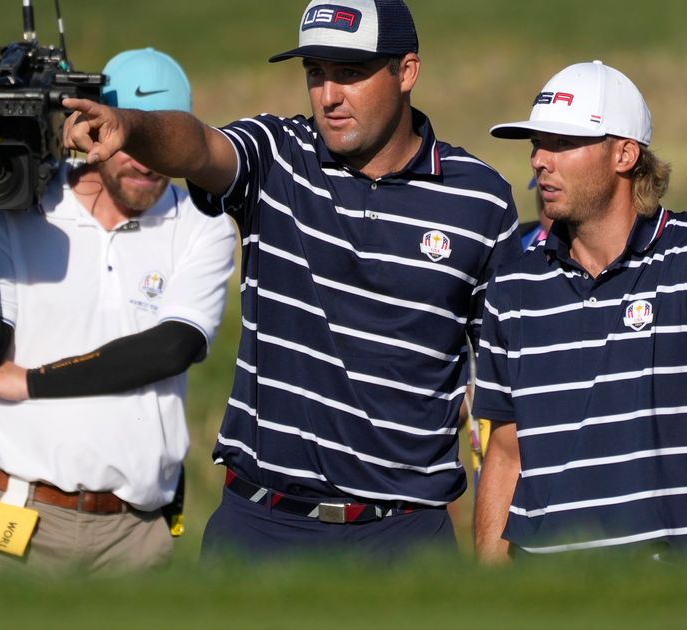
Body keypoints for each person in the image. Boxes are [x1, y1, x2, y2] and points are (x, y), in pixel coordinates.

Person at [62, 0, 520, 559]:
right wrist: (130, 128)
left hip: (403, 538)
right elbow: (200, 146)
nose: (328, 96)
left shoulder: (480, 199)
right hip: (261, 527)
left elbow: (505, 391)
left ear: (407, 71)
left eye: (349, 73)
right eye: (315, 73)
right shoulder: (276, 155)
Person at [0, 48, 236, 573]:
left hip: (132, 537)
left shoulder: (202, 227)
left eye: (154, 142)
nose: (142, 161)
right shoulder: (23, 205)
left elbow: (171, 346)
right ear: (94, 129)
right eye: (127, 141)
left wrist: (31, 381)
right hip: (8, 511)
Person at [472, 61, 687, 563]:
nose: (539, 160)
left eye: (562, 143)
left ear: (625, 154)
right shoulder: (513, 287)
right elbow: (506, 456)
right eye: (537, 144)